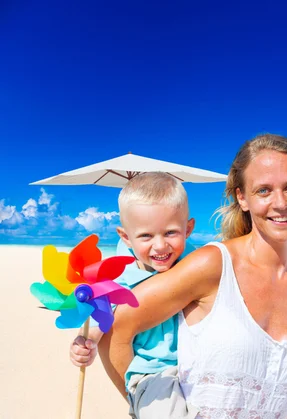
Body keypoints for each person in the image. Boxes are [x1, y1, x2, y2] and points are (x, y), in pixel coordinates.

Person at [98, 134, 287, 418]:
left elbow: (281, 393)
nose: (280, 203)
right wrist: (146, 404)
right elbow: (115, 330)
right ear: (242, 198)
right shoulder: (212, 265)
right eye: (264, 191)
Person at [69, 172, 197, 419]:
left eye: (171, 232)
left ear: (188, 228)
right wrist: (85, 343)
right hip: (153, 372)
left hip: (199, 366)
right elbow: (98, 320)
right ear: (126, 237)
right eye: (146, 236)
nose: (160, 246)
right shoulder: (117, 280)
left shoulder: (195, 265)